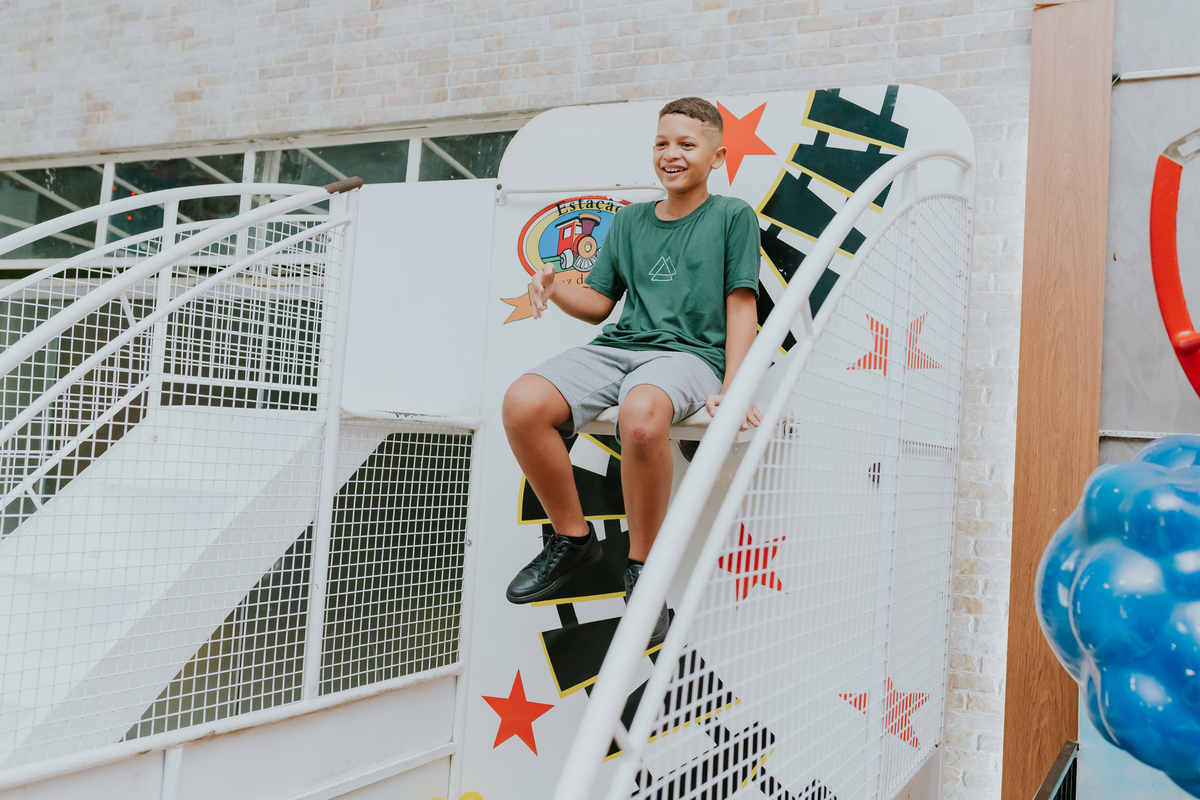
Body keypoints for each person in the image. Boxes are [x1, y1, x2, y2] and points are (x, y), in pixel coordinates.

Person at [501, 97, 762, 646]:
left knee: (642, 418)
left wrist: (737, 388)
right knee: (522, 402)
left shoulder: (732, 216)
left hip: (691, 356)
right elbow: (599, 305)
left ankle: (643, 574)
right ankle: (574, 542)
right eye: (663, 142)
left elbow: (742, 307)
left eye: (687, 144)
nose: (672, 153)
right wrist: (554, 286)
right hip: (620, 347)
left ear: (716, 156)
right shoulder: (630, 221)